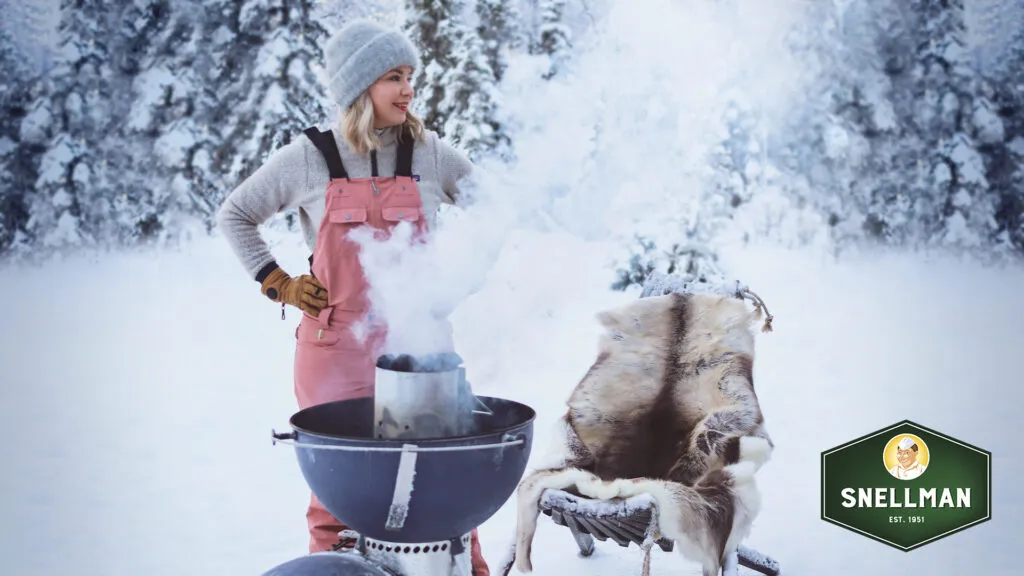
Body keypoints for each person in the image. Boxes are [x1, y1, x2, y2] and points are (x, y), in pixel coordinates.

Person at [216, 19, 489, 575]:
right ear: (361, 87)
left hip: (421, 353)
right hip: (333, 351)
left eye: (411, 75)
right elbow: (236, 214)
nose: (408, 89)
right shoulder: (310, 157)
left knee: (448, 486)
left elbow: (495, 209)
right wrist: (279, 281)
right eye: (394, 76)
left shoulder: (429, 154)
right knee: (338, 496)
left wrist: (455, 281)